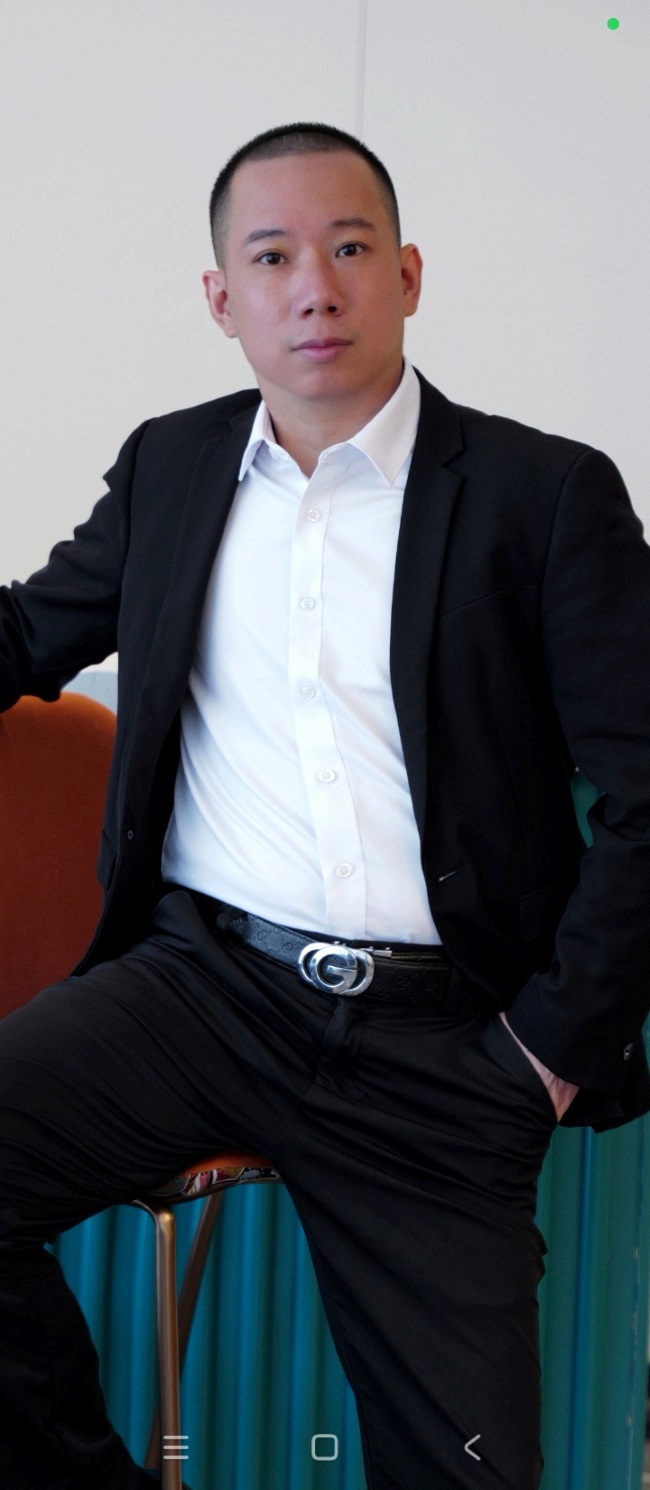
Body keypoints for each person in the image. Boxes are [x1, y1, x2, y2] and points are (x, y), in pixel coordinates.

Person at [1, 119, 650, 1490]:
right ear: (220, 298)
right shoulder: (171, 467)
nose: (313, 287)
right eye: (272, 257)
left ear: (406, 275)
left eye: (349, 248)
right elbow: (26, 634)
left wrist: (543, 1052)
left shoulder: (543, 497)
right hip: (201, 990)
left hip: (442, 1044)